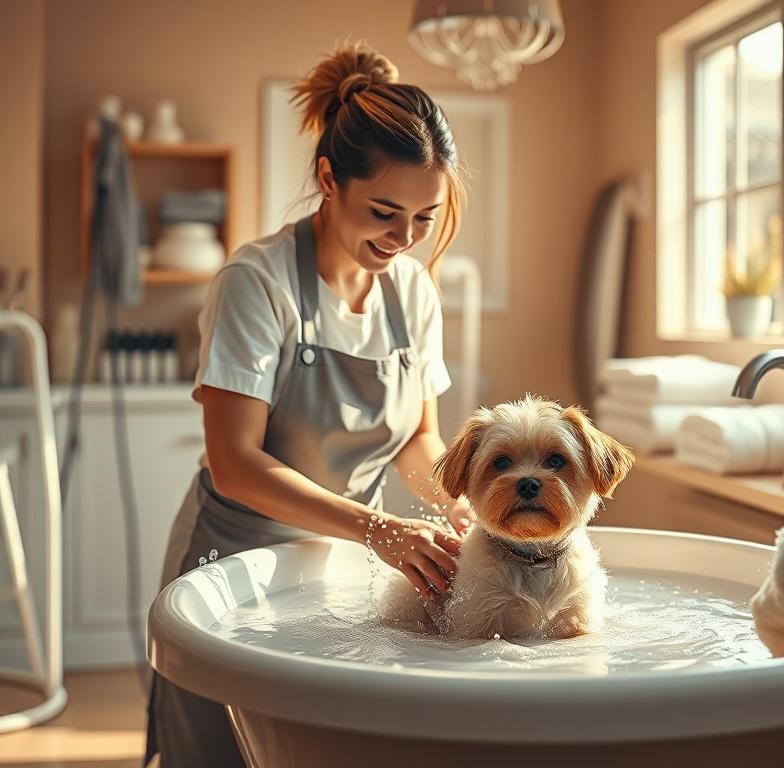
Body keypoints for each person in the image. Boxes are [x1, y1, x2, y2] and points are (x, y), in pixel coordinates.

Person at [144, 41, 474, 768]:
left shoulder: (412, 294)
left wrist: (457, 502)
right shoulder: (255, 283)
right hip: (230, 562)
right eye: (385, 212)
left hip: (330, 564)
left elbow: (418, 439)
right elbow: (234, 464)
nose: (404, 240)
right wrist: (379, 530)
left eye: (425, 218)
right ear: (329, 178)